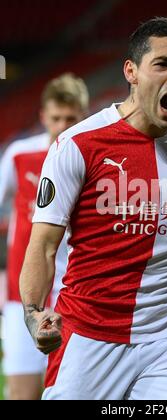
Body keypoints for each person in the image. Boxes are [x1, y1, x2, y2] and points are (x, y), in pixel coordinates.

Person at [20, 18, 167, 400]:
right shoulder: (77, 145)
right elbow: (44, 245)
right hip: (89, 336)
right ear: (131, 71)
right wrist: (34, 313)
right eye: (163, 64)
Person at [0, 73, 89, 400]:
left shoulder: (93, 159)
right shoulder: (19, 155)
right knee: (23, 396)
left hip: (75, 296)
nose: (63, 125)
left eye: (71, 118)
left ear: (84, 115)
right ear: (43, 117)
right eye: (56, 118)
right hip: (21, 297)